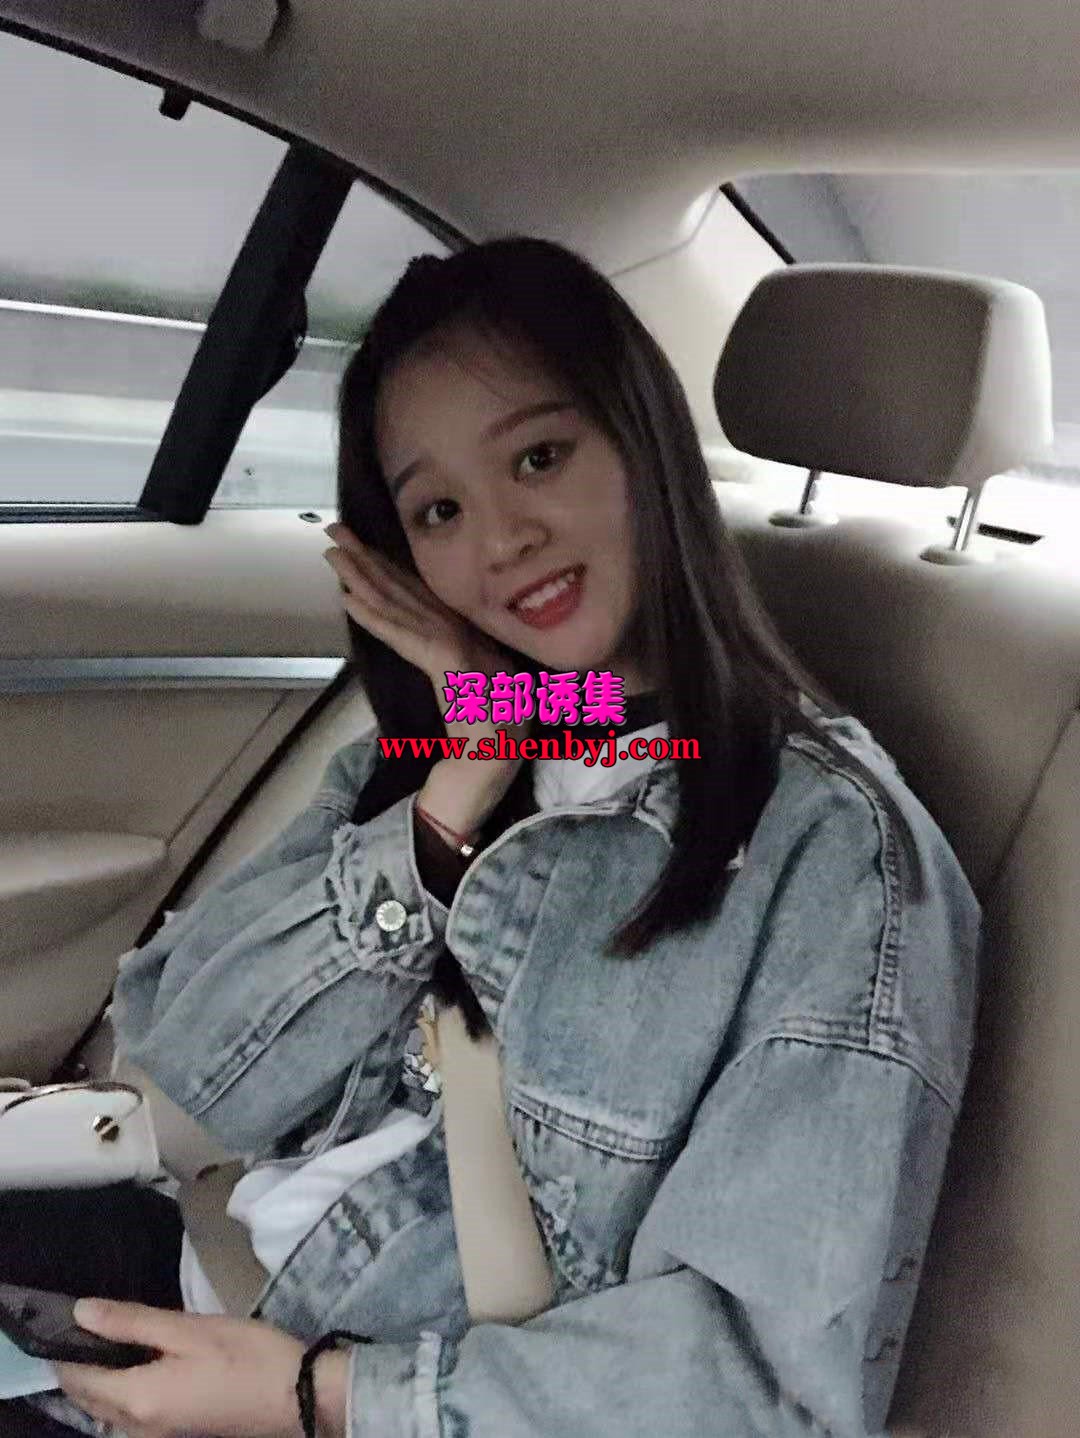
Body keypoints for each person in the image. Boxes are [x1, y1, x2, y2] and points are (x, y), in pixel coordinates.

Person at [5, 236, 980, 1438]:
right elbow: (191, 1063)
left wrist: (313, 1397)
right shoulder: (448, 745)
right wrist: (461, 782)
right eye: (440, 509)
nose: (501, 538)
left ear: (642, 443)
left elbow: (757, 1388)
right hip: (206, 1287)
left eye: (540, 456)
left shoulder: (832, 860)